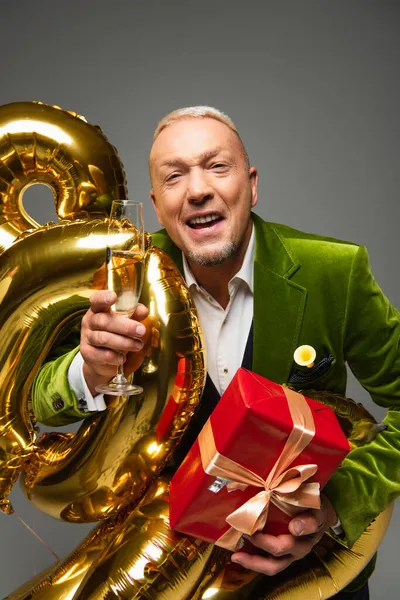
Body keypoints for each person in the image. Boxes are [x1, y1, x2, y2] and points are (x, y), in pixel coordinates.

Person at [32, 106, 400, 599]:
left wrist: (335, 504)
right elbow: (33, 403)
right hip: (174, 579)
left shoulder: (335, 272)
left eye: (216, 167)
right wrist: (89, 372)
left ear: (251, 185)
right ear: (158, 205)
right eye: (174, 176)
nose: (197, 189)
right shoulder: (122, 276)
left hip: (309, 581)